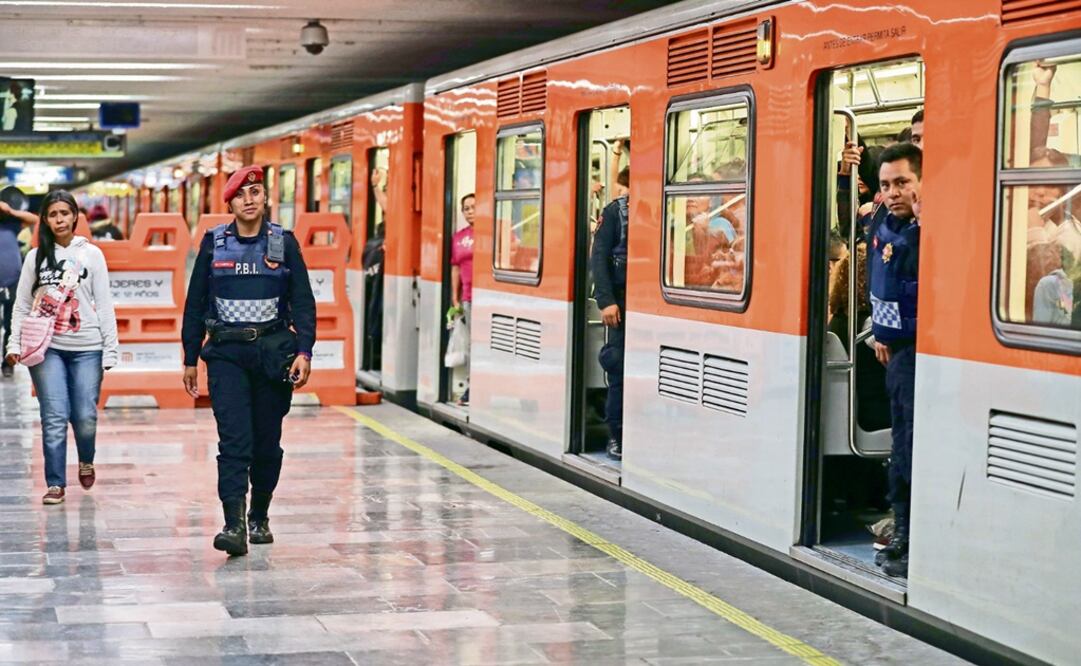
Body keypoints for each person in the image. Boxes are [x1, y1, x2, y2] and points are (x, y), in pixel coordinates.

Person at [181, 166, 316, 556]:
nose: (250, 199)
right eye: (242, 194)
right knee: (234, 441)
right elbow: (195, 304)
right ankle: (233, 525)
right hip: (226, 355)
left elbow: (303, 303)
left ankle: (259, 516)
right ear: (231, 203)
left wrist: (304, 351)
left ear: (265, 197)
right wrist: (191, 356)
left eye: (256, 191)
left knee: (266, 444)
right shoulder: (214, 243)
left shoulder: (284, 243)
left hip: (273, 355)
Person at [5, 190, 119, 505]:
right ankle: (55, 483)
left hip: (88, 347)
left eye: (64, 214)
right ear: (46, 219)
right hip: (47, 347)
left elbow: (105, 304)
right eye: (53, 214)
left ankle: (86, 458)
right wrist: (13, 343)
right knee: (54, 415)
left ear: (74, 217)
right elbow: (22, 305)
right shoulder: (36, 257)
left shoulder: (92, 255)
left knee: (84, 415)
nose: (59, 220)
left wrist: (111, 349)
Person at [866, 142, 922, 578]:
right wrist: (879, 330)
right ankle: (901, 528)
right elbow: (879, 279)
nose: (893, 193)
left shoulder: (925, 231)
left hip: (919, 350)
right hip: (893, 350)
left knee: (909, 445)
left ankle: (909, 534)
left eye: (902, 182)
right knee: (900, 444)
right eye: (886, 185)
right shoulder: (882, 222)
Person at [590, 166, 630, 460]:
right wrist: (606, 300)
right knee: (617, 367)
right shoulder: (616, 211)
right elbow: (599, 256)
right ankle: (615, 435)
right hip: (620, 301)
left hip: (649, 300)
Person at [1, 187, 37, 379]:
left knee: (11, 323)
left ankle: (7, 363)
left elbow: (34, 220)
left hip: (13, 280)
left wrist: (10, 211)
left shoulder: (11, 223)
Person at [450, 193, 475, 406]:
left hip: (486, 297)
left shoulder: (494, 231)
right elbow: (455, 268)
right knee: (470, 346)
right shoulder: (459, 237)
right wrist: (454, 298)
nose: (470, 211)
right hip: (467, 297)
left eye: (474, 207)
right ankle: (470, 387)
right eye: (466, 208)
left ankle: (475, 388)